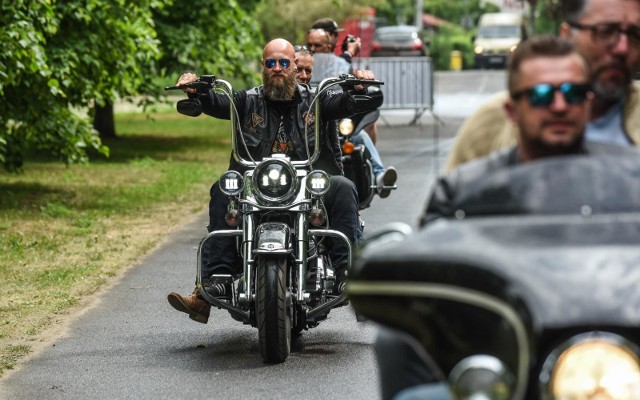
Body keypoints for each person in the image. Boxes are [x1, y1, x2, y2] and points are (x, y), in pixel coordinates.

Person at [377, 36, 640, 400]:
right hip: (499, 357)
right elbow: (431, 273)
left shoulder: (631, 177)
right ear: (513, 111)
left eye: (573, 93)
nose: (560, 105)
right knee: (399, 353)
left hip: (619, 351)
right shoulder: (465, 191)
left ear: (589, 102)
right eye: (541, 95)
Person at [167, 39, 382, 324]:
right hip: (256, 185)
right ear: (263, 67)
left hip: (308, 185)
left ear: (295, 66)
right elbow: (217, 102)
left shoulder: (317, 101)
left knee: (343, 186)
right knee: (223, 187)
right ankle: (213, 283)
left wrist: (359, 87)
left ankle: (349, 279)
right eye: (271, 63)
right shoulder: (246, 101)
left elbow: (349, 102)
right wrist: (197, 90)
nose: (277, 68)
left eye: (284, 62)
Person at [445, 0, 640, 172]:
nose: (622, 48)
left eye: (635, 34)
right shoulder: (492, 123)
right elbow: (452, 205)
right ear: (567, 34)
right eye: (605, 32)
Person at [304, 28, 398, 198]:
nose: (313, 48)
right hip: (308, 123)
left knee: (359, 135)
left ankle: (378, 176)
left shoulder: (337, 64)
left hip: (335, 115)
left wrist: (358, 88)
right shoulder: (303, 63)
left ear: (329, 46)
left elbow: (347, 87)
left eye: (317, 45)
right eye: (309, 45)